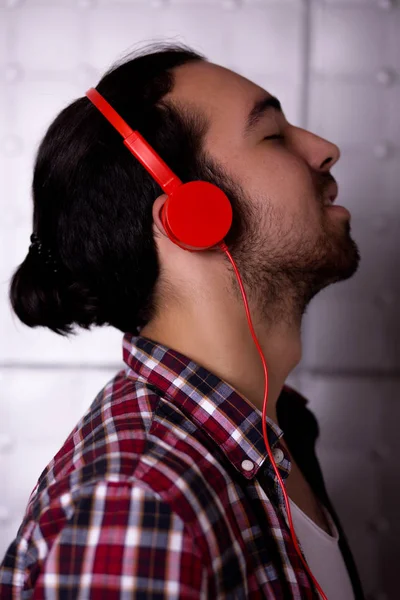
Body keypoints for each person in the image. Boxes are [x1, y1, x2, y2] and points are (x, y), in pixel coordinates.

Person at [0, 42, 364, 599]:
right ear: (192, 217)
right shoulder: (139, 501)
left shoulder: (277, 432)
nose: (325, 150)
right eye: (272, 135)